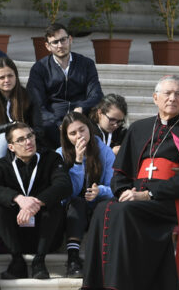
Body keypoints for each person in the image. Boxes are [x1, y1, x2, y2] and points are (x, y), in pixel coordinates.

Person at [83, 75, 179, 290]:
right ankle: (96, 284)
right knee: (102, 209)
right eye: (167, 93)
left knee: (124, 211)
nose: (172, 98)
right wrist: (123, 191)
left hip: (170, 201)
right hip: (137, 198)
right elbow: (119, 172)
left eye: (178, 94)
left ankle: (120, 283)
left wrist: (148, 194)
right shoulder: (139, 128)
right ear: (155, 98)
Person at [0, 122, 71, 280]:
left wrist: (35, 203)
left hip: (46, 236)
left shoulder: (52, 158)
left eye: (30, 136)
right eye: (21, 139)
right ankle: (17, 261)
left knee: (54, 205)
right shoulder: (1, 165)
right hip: (15, 235)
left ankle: (39, 261)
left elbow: (64, 185)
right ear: (11, 147)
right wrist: (18, 199)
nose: (28, 142)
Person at [56, 112, 115, 278]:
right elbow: (68, 193)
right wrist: (78, 161)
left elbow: (114, 188)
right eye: (73, 133)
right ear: (66, 136)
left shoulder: (105, 152)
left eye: (82, 130)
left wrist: (99, 191)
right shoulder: (60, 154)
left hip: (97, 207)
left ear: (89, 128)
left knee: (108, 206)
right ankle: (73, 259)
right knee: (77, 202)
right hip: (71, 211)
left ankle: (108, 261)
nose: (79, 136)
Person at [27, 23, 103, 148]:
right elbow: (37, 102)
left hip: (81, 116)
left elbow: (96, 94)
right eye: (55, 42)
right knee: (45, 130)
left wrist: (81, 107)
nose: (60, 45)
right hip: (53, 121)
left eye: (63, 40)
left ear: (70, 39)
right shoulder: (39, 68)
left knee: (95, 132)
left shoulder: (86, 64)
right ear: (47, 46)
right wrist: (57, 123)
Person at [0, 57, 43, 166]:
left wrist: (25, 134)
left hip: (23, 143)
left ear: (16, 76)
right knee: (3, 139)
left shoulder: (29, 95)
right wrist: (14, 126)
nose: (7, 80)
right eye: (2, 77)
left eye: (10, 76)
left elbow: (39, 129)